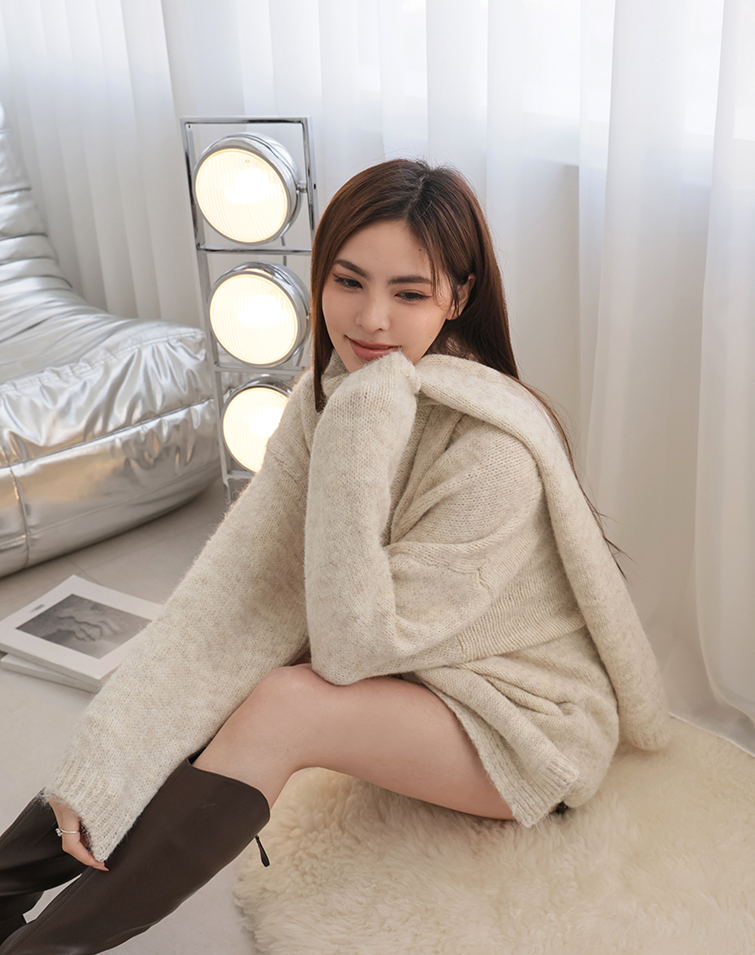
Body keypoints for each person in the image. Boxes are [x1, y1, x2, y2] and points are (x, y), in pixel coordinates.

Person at [0, 159, 669, 953]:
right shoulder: (328, 392)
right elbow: (233, 592)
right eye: (348, 281)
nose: (371, 319)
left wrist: (357, 432)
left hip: (522, 723)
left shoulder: (489, 453)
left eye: (409, 293)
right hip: (415, 675)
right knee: (221, 667)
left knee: (286, 702)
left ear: (458, 297)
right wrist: (98, 765)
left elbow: (351, 649)